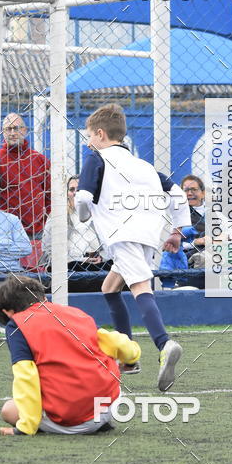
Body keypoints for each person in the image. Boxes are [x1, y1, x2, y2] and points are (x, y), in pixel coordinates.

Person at [75, 103, 190, 388]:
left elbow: (81, 199)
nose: (88, 142)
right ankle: (128, 358)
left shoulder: (96, 158)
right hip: (149, 234)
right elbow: (177, 195)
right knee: (110, 288)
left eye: (89, 135)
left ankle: (164, 345)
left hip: (122, 234)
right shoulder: (145, 166)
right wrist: (175, 231)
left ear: (100, 134)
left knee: (140, 287)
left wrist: (85, 217)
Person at [0, 275, 141, 435]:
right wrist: (132, 359)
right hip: (109, 404)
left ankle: (53, 424)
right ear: (43, 297)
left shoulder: (16, 325)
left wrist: (26, 427)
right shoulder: (73, 312)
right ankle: (98, 422)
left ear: (7, 312)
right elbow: (114, 342)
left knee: (9, 410)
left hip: (69, 420)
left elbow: (26, 376)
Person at [0, 112, 51, 238]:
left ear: (24, 130)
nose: (12, 133)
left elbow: (50, 195)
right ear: (3, 132)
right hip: (7, 233)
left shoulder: (40, 160)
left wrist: (45, 222)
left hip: (38, 232)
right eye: (8, 129)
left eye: (16, 128)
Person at [40, 175, 109, 291]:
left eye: (80, 190)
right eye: (72, 190)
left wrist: (103, 257)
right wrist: (80, 260)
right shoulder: (57, 217)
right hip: (69, 267)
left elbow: (112, 246)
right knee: (73, 268)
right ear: (66, 194)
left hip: (98, 267)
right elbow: (47, 252)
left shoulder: (101, 216)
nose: (76, 193)